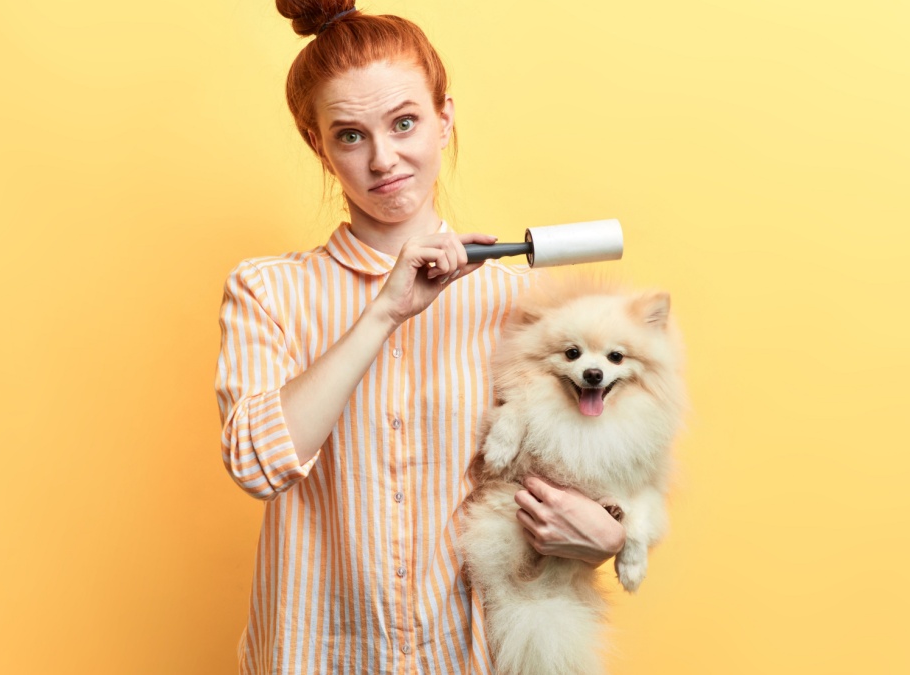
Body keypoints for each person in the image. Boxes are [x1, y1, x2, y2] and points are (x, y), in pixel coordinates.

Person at [215, 2, 627, 672]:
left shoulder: (518, 301)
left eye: (405, 122)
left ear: (444, 119)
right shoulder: (267, 292)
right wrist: (382, 311)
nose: (384, 159)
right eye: (350, 135)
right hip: (316, 654)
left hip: (467, 655)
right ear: (318, 144)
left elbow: (594, 461)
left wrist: (609, 533)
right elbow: (258, 463)